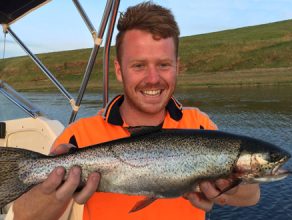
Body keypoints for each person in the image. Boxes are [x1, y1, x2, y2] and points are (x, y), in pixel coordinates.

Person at [11, 2, 260, 220]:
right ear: (119, 70)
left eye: (163, 65)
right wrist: (54, 194)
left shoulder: (200, 124)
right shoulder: (78, 136)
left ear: (177, 67)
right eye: (139, 65)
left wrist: (229, 189)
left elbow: (252, 196)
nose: (153, 79)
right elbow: (24, 216)